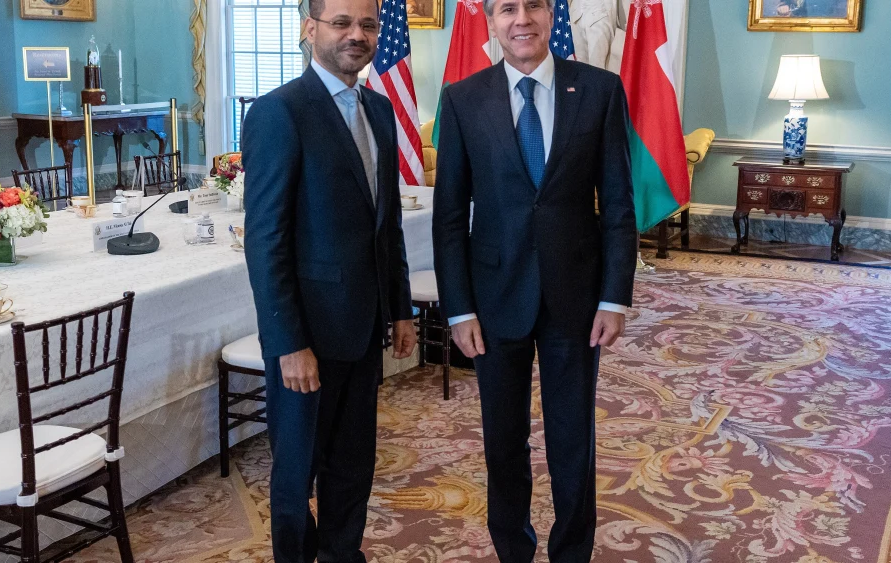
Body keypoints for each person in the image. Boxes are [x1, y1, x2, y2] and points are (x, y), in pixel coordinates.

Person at [431, 0, 637, 558]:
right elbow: (449, 217)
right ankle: (513, 550)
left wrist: (615, 296)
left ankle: (572, 551)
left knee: (573, 441)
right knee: (503, 441)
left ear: (552, 15)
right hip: (494, 301)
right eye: (506, 9)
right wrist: (458, 309)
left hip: (577, 298)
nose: (521, 19)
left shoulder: (598, 90)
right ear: (492, 21)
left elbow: (618, 204)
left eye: (533, 6)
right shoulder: (462, 99)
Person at [241, 0, 417, 557]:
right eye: (341, 23)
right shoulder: (280, 112)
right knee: (297, 476)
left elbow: (384, 225)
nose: (356, 35)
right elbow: (265, 240)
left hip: (364, 329)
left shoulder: (381, 111)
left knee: (352, 464)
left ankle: (342, 553)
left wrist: (400, 308)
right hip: (306, 337)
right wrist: (288, 342)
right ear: (309, 28)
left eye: (367, 24)